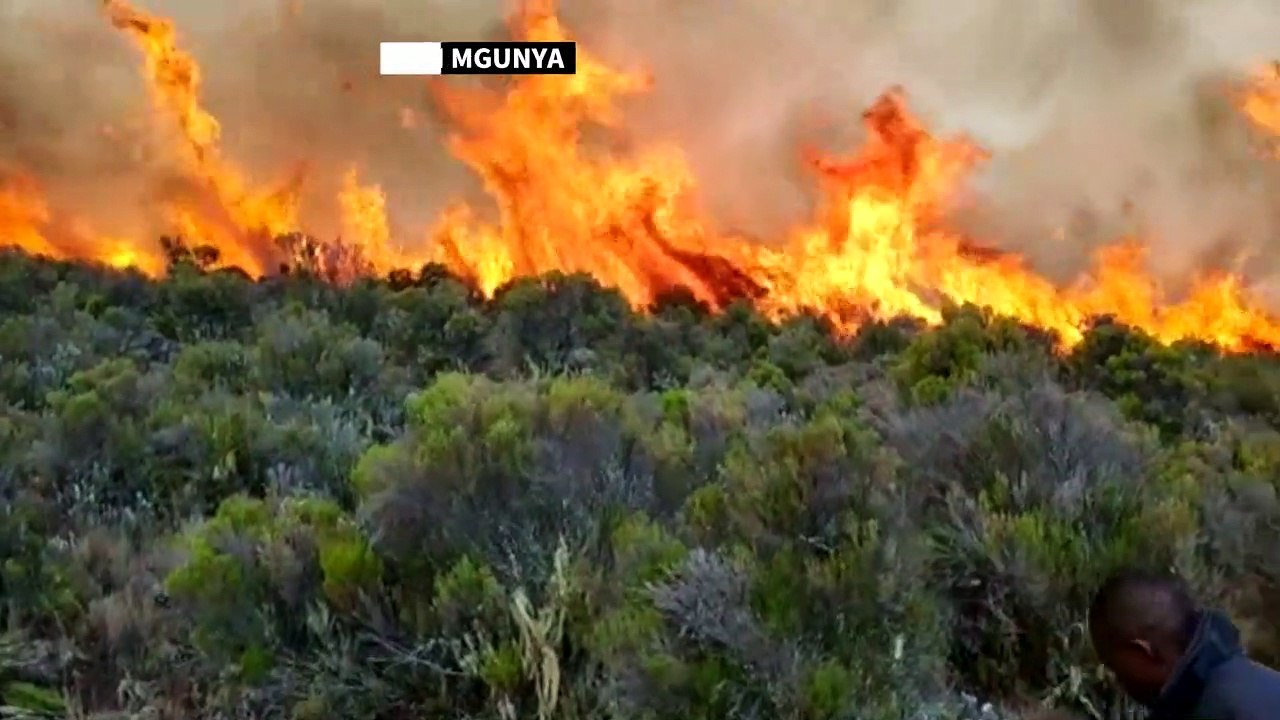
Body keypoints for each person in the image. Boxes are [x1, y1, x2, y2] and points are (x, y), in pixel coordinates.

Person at [1088, 569, 1280, 719]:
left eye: (1115, 668)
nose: (1118, 681)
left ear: (1143, 652)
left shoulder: (1216, 710)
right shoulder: (1256, 683)